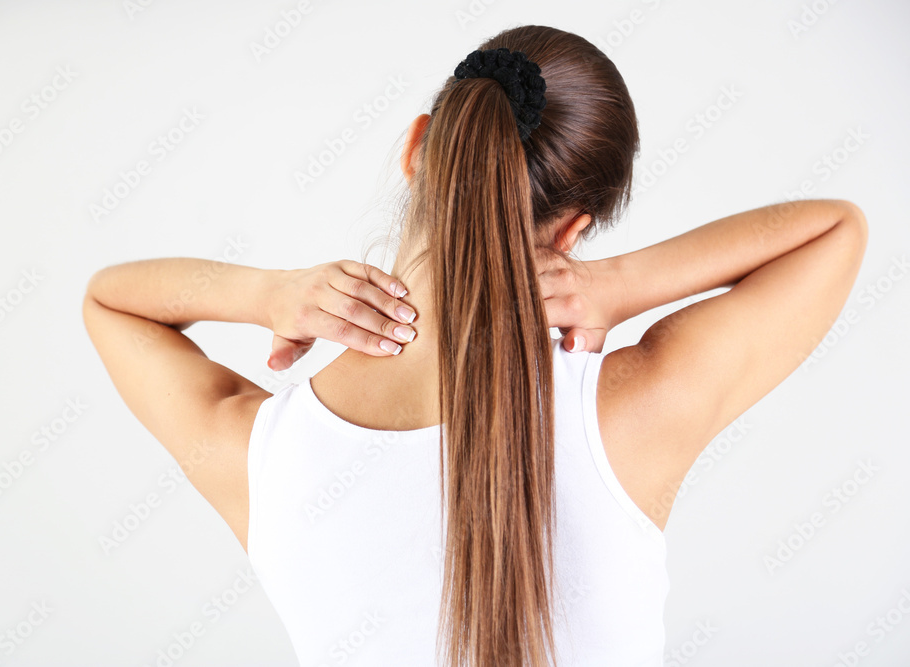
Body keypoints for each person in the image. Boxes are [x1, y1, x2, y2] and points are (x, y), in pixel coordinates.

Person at [82, 24, 868, 667]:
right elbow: (836, 229)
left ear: (418, 147)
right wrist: (620, 282)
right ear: (572, 229)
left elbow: (110, 301)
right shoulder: (633, 408)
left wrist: (266, 293)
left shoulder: (264, 454)